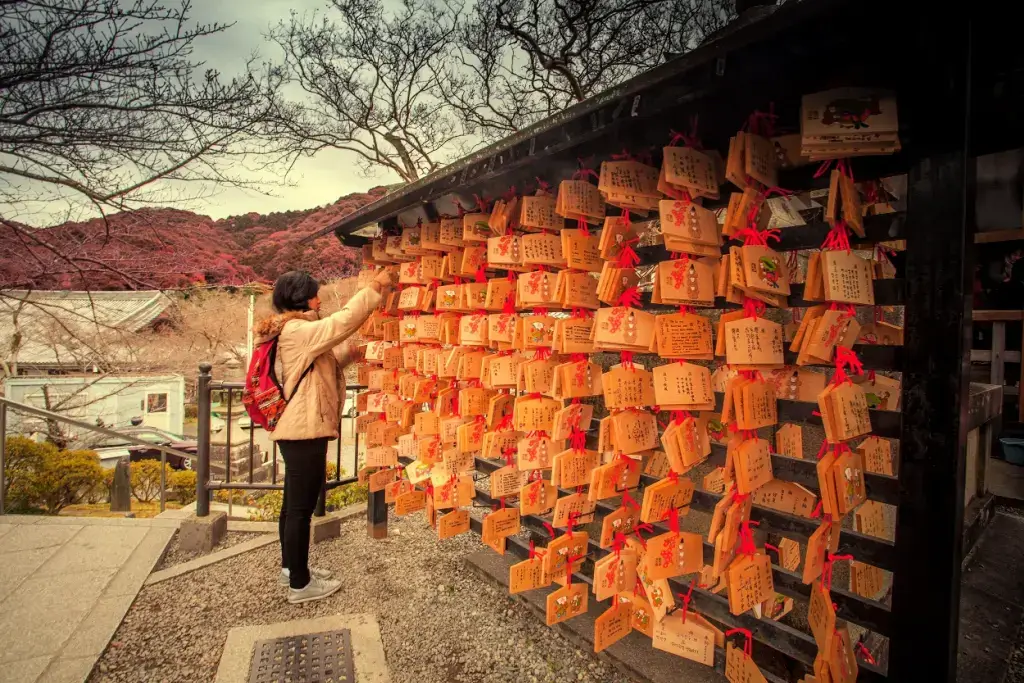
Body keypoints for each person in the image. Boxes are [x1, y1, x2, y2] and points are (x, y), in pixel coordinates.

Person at [254, 268, 395, 604]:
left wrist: (354, 355)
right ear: (302, 298)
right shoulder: (297, 330)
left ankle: (292, 569)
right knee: (301, 509)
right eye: (316, 294)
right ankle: (300, 586)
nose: (319, 299)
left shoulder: (290, 331)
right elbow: (341, 323)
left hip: (297, 428)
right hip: (303, 430)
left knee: (292, 505)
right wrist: (374, 288)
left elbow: (320, 363)